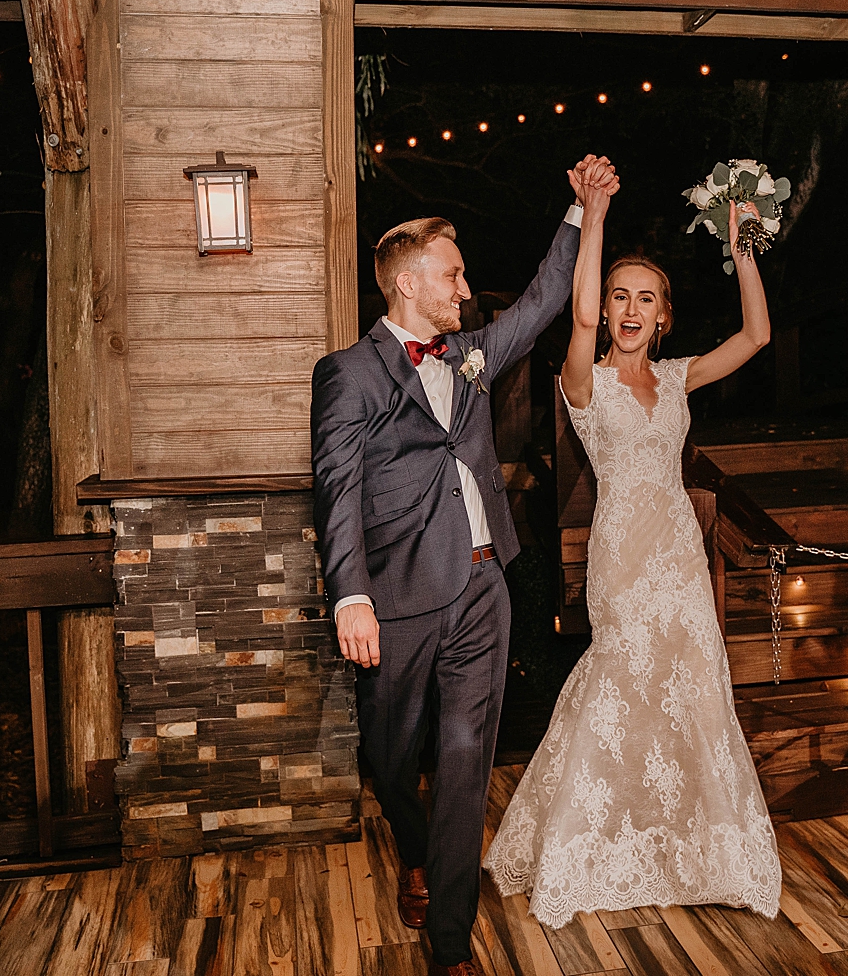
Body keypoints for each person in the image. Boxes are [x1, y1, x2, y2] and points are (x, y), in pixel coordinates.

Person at [310, 155, 618, 976]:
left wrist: (581, 211)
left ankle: (449, 943)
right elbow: (336, 488)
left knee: (463, 758)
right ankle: (414, 851)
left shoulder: (474, 352)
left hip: (485, 585)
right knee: (387, 753)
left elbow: (547, 298)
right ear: (409, 281)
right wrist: (350, 595)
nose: (464, 283)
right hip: (399, 597)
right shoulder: (348, 374)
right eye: (452, 272)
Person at [483, 188, 782, 928]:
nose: (628, 308)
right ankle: (585, 845)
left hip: (680, 553)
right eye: (620, 295)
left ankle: (695, 850)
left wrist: (741, 243)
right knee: (618, 680)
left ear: (663, 315)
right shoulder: (584, 382)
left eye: (644, 298)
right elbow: (579, 317)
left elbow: (756, 334)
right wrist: (595, 216)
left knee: (696, 689)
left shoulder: (679, 377)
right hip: (622, 561)